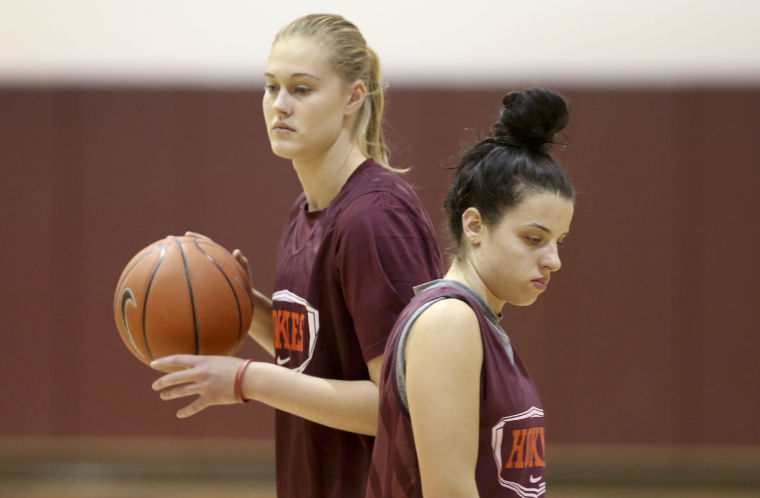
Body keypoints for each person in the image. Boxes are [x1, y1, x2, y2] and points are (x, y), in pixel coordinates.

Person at [149, 13, 442, 498]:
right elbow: (314, 359)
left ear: (353, 98)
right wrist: (248, 311)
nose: (279, 106)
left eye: (301, 90)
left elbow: (399, 407)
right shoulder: (307, 209)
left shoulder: (374, 219)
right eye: (270, 87)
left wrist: (247, 379)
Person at [366, 88, 575, 498]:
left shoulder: (476, 322)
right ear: (475, 226)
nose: (553, 260)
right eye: (534, 238)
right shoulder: (449, 322)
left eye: (559, 242)